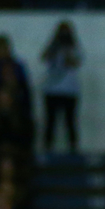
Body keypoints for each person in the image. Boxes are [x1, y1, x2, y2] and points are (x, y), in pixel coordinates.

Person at [41, 21, 83, 153]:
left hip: (69, 90)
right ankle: (47, 149)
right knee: (50, 122)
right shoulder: (53, 46)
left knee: (70, 122)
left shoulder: (75, 47)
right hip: (52, 90)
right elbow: (44, 57)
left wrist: (66, 50)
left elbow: (75, 62)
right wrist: (55, 46)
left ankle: (73, 149)